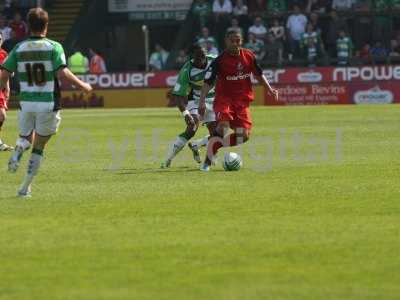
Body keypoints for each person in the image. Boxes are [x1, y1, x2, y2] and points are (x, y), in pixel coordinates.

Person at [0, 7, 92, 197]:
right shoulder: (54, 46)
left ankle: (19, 148)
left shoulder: (19, 47)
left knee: (25, 137)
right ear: (46, 26)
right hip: (47, 102)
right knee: (39, 146)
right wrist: (82, 85)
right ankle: (24, 188)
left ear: (28, 26)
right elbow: (62, 72)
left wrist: (4, 87)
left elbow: (4, 74)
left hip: (26, 103)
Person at [198, 30, 278, 171]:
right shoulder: (220, 60)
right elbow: (208, 82)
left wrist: (269, 89)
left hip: (242, 102)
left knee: (243, 136)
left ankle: (215, 145)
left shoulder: (248, 55)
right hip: (224, 100)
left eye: (238, 40)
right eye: (232, 40)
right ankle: (207, 161)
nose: (235, 43)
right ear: (226, 41)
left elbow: (259, 74)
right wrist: (202, 101)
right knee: (223, 125)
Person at [161, 45, 217, 168]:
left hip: (214, 99)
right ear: (192, 57)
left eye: (202, 56)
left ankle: (197, 145)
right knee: (192, 127)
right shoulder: (187, 69)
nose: (200, 60)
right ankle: (167, 160)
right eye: (197, 57)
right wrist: (185, 114)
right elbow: (178, 96)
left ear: (206, 54)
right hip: (196, 99)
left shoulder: (215, 60)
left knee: (217, 134)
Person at [0, 32, 13, 151]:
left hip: (0, 89)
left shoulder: (4, 54)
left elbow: (6, 73)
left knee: (2, 116)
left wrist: (7, 88)